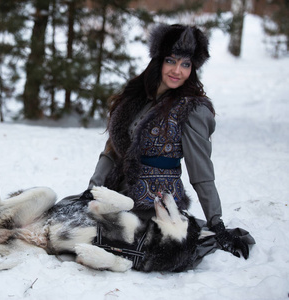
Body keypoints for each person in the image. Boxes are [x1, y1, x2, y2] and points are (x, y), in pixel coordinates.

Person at [79, 24, 253, 262]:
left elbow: (201, 170)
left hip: (155, 204)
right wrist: (92, 189)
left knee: (116, 240)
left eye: (186, 64)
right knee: (71, 221)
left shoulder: (192, 110)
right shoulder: (135, 98)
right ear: (158, 60)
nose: (177, 71)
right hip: (116, 192)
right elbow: (111, 151)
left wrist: (217, 222)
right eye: (171, 60)